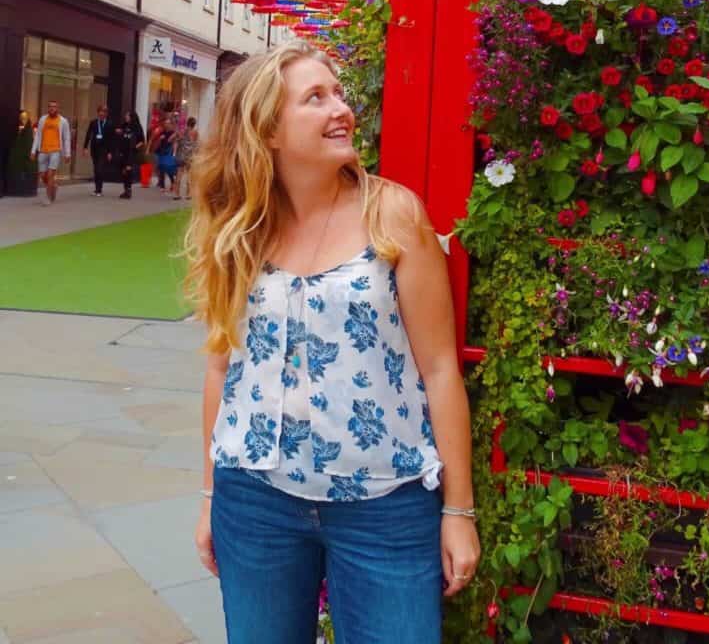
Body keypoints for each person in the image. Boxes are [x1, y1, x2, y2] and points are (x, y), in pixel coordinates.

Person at [186, 42, 479, 644]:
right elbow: (222, 369)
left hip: (383, 502)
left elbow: (441, 370)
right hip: (254, 500)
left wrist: (458, 511)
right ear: (267, 130)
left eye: (338, 93)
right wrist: (210, 495)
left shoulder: (391, 214)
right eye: (314, 99)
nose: (340, 109)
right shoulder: (240, 227)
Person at [30, 100, 71, 206]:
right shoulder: (43, 119)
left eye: (54, 107)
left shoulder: (63, 121)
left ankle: (48, 198)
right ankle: (53, 186)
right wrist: (33, 151)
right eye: (50, 107)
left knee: (50, 175)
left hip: (55, 151)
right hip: (43, 150)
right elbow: (38, 135)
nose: (52, 108)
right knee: (43, 175)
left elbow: (66, 138)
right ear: (48, 108)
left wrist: (67, 153)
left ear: (58, 108)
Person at [82, 104, 114, 196]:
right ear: (98, 112)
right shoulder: (94, 123)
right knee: (96, 169)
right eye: (100, 111)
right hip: (95, 148)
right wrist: (85, 147)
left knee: (100, 168)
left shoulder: (109, 124)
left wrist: (110, 152)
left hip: (104, 149)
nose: (102, 113)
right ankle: (96, 189)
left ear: (106, 113)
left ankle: (99, 189)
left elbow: (112, 139)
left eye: (104, 112)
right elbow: (88, 134)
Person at [114, 111, 145, 200]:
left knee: (128, 169)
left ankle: (129, 190)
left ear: (131, 117)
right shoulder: (124, 125)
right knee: (123, 171)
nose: (125, 117)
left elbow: (142, 140)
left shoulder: (137, 127)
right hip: (122, 151)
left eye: (127, 115)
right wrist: (118, 131)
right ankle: (125, 189)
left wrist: (135, 147)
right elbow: (118, 131)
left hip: (131, 152)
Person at [172, 116, 198, 200]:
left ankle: (176, 194)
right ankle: (188, 194)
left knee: (179, 174)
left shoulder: (182, 132)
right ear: (194, 124)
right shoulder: (195, 132)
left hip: (181, 155)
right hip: (190, 156)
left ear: (187, 123)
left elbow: (175, 140)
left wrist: (174, 152)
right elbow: (196, 144)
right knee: (189, 175)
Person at [150, 117, 177, 194]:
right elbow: (157, 142)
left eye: (168, 123)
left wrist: (174, 153)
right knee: (161, 168)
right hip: (161, 151)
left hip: (168, 152)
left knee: (168, 169)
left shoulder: (173, 133)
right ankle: (162, 186)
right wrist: (159, 139)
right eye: (165, 123)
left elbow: (174, 143)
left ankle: (173, 182)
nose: (166, 125)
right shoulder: (162, 132)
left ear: (171, 124)